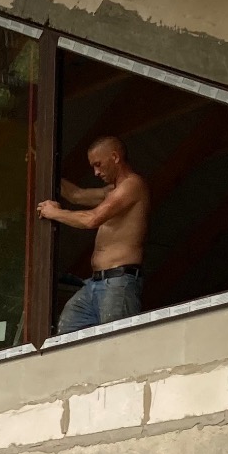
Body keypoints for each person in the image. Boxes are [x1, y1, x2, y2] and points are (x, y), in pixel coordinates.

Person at [38, 136, 150, 333]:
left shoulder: (133, 185)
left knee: (114, 342)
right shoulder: (111, 191)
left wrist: (54, 213)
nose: (96, 172)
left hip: (118, 282)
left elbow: (92, 219)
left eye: (98, 165)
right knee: (67, 330)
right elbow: (76, 195)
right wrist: (41, 162)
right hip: (95, 283)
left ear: (115, 157)